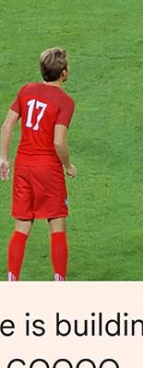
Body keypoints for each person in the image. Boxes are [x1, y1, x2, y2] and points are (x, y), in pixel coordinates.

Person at [0, 47, 76, 282]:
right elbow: (58, 141)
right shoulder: (65, 101)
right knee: (57, 224)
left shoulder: (26, 90)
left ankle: (12, 280)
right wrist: (68, 165)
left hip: (23, 166)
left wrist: (3, 158)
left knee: (21, 227)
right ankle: (59, 282)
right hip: (48, 169)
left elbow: (7, 125)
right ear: (63, 73)